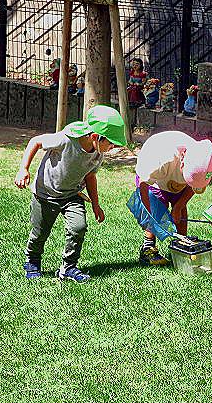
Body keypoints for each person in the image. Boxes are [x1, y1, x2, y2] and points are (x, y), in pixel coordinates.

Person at [14, 106, 127, 282]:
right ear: (96, 137)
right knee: (40, 233)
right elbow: (35, 141)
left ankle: (68, 267)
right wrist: (23, 169)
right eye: (111, 143)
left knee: (78, 227)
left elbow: (90, 176)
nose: (112, 147)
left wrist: (96, 205)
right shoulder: (65, 140)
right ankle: (32, 260)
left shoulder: (98, 153)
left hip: (72, 195)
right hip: (46, 193)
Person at [134, 130, 212, 265]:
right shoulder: (160, 159)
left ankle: (181, 246)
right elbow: (143, 185)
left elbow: (195, 187)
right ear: (182, 160)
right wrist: (149, 214)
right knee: (156, 209)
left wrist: (178, 206)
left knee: (180, 211)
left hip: (177, 183)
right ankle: (148, 248)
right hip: (154, 181)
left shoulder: (205, 161)